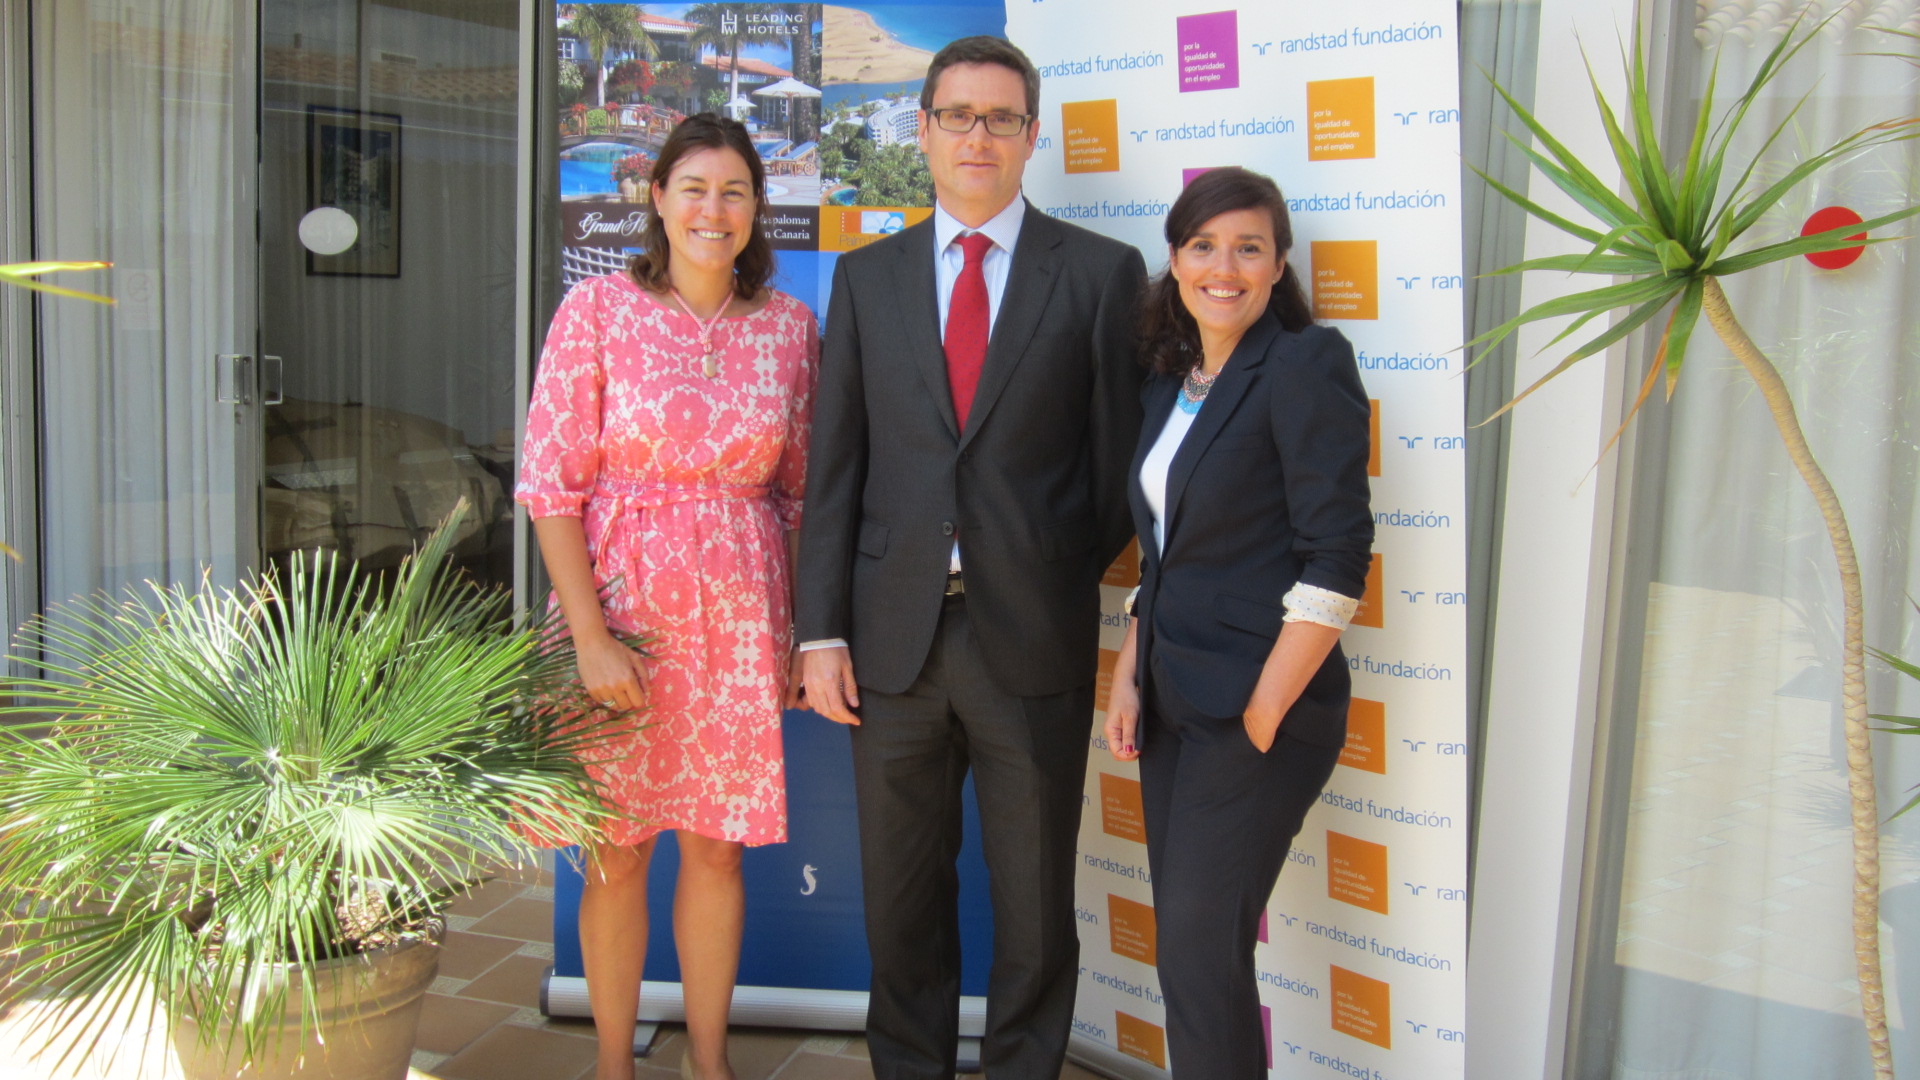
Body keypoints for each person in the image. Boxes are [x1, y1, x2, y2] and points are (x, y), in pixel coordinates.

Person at [794, 35, 1145, 1080]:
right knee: (901, 902)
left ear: (1033, 135)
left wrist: (1039, 568)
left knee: (1035, 905)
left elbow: (1116, 472)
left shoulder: (1101, 276)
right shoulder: (867, 279)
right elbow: (835, 471)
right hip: (888, 645)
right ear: (924, 130)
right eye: (957, 115)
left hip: (1030, 639)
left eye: (1000, 118)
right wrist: (821, 632)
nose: (977, 136)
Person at [516, 113, 816, 1080]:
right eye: (694, 188)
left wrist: (798, 635)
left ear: (758, 207)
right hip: (620, 619)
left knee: (718, 851)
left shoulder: (789, 328)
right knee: (616, 851)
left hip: (740, 625)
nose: (712, 210)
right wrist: (589, 639)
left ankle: (709, 1061)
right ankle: (615, 1064)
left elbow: (801, 496)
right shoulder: (596, 310)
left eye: (734, 191)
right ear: (657, 198)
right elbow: (550, 489)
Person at [1102, 167, 1374, 1078]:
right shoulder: (1170, 381)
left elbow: (1337, 556)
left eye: (1248, 248)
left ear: (1278, 264)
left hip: (1258, 711)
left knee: (1197, 953)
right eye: (1204, 246)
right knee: (1198, 962)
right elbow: (1166, 550)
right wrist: (1130, 669)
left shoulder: (1303, 364)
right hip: (1174, 698)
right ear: (1176, 260)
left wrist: (1262, 713)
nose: (1224, 268)